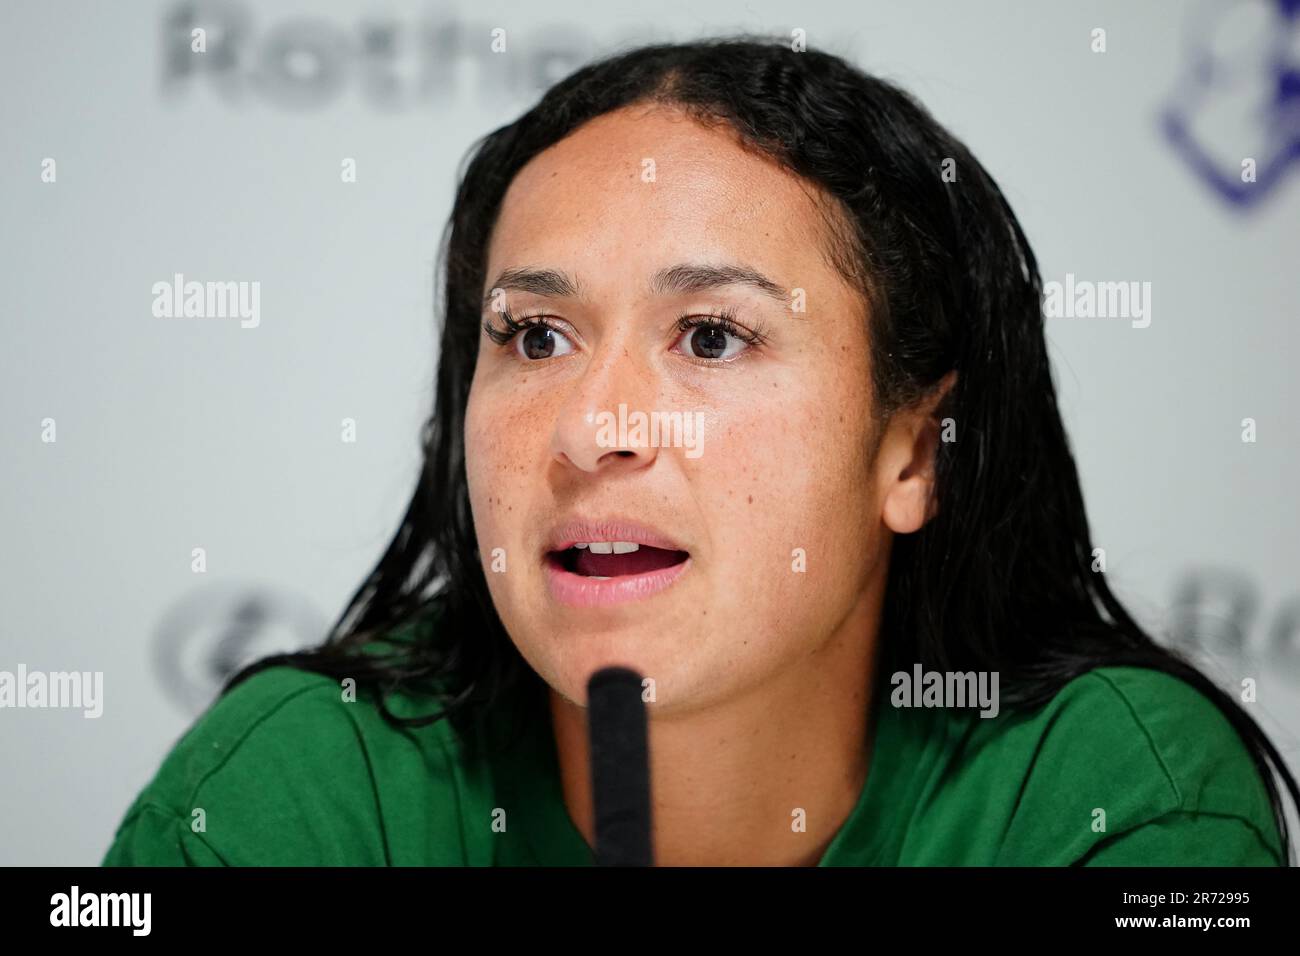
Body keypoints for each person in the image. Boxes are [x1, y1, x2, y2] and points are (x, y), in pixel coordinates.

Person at [103, 36, 1295, 867]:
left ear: (914, 453)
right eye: (535, 335)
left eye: (713, 336)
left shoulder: (1109, 793)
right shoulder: (301, 783)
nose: (592, 427)